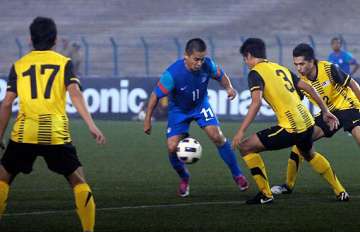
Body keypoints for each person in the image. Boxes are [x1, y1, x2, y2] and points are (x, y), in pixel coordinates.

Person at [0, 17, 106, 232]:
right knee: (78, 179)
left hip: (25, 132)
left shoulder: (19, 65)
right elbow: (75, 94)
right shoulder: (64, 62)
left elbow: (7, 103)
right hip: (55, 133)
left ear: (30, 39)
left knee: (3, 178)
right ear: (56, 40)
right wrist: (91, 124)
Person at [232, 38, 345, 205]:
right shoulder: (280, 67)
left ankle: (265, 194)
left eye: (245, 58)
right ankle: (340, 191)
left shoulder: (255, 73)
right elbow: (309, 87)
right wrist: (326, 111)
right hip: (308, 122)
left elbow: (256, 103)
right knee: (309, 154)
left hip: (292, 127)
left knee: (246, 147)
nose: (245, 62)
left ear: (249, 55)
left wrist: (240, 131)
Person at [144, 38, 249, 197]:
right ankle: (184, 177)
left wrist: (229, 87)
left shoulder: (207, 64)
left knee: (217, 136)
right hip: (179, 111)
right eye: (196, 59)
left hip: (201, 106)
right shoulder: (172, 74)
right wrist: (147, 120)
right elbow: (154, 96)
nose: (200, 63)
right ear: (186, 56)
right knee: (172, 147)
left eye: (202, 59)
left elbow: (220, 74)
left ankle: (237, 175)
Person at [271, 43, 360, 196]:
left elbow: (352, 83)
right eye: (296, 64)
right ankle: (288, 185)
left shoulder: (328, 69)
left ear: (312, 61)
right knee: (300, 141)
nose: (299, 68)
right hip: (328, 113)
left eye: (302, 64)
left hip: (348, 106)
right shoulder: (301, 81)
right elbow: (293, 100)